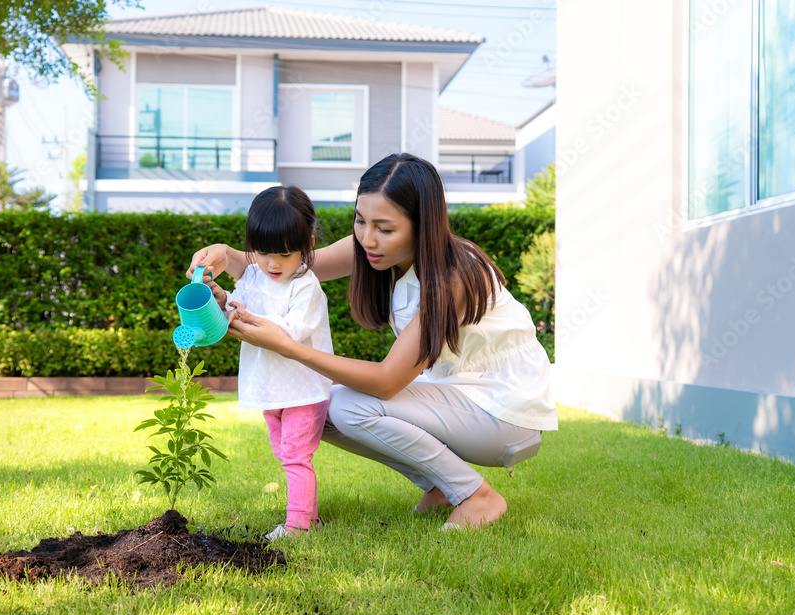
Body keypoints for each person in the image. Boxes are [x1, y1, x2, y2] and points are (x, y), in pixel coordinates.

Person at [190, 154, 557, 531]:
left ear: (422, 226)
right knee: (317, 402)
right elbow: (289, 267)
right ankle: (440, 486)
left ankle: (477, 496)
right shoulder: (371, 247)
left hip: (505, 413)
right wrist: (227, 254)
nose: (367, 238)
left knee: (346, 405)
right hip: (459, 396)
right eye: (360, 221)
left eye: (384, 228)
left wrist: (288, 345)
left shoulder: (453, 275)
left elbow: (385, 381)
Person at [209, 185, 333, 541]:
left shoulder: (305, 287)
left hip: (303, 390)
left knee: (295, 456)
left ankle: (298, 525)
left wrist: (243, 318)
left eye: (283, 254)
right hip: (271, 387)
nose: (272, 264)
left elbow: (292, 332)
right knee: (285, 454)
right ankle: (309, 515)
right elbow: (241, 304)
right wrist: (223, 299)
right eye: (262, 253)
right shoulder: (253, 275)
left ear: (308, 246)